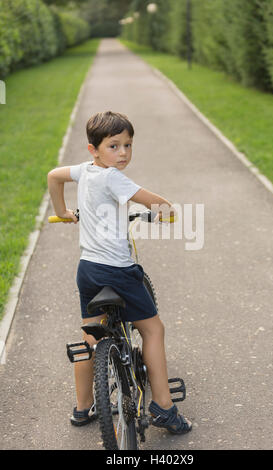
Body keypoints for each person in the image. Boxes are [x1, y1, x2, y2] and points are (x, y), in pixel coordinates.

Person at [47, 111, 192, 435]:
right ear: (93, 149)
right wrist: (168, 212)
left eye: (128, 145)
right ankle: (165, 407)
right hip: (119, 272)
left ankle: (83, 408)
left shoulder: (84, 171)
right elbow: (160, 204)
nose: (123, 153)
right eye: (114, 146)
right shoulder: (114, 178)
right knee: (153, 330)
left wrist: (63, 213)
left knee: (89, 336)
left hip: (88, 271)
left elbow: (54, 176)